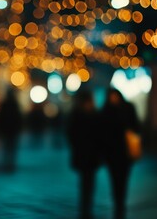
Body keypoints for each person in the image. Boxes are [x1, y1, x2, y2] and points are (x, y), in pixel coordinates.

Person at [100, 88, 140, 219]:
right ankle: (117, 201)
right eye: (111, 96)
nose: (113, 99)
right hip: (111, 152)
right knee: (114, 178)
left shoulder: (127, 108)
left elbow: (136, 126)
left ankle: (120, 201)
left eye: (115, 96)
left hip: (125, 151)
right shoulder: (106, 111)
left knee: (123, 177)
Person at [66, 89, 102, 219]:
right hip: (84, 152)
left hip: (90, 153)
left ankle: (87, 203)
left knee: (89, 179)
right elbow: (71, 134)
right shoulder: (83, 115)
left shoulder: (85, 114)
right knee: (85, 179)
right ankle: (85, 204)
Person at [0, 88, 23, 172]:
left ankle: (7, 163)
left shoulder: (5, 104)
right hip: (12, 129)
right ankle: (10, 163)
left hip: (7, 129)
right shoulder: (15, 104)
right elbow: (18, 117)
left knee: (7, 146)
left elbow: (0, 117)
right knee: (11, 147)